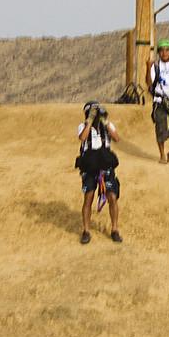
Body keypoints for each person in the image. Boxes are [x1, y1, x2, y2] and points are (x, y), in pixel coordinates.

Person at [75, 101, 123, 244]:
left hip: (105, 163)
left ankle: (114, 229)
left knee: (112, 196)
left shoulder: (107, 126)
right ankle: (86, 230)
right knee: (88, 197)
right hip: (89, 165)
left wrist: (105, 121)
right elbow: (82, 137)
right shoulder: (82, 126)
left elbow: (116, 138)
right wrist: (89, 121)